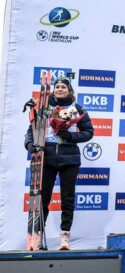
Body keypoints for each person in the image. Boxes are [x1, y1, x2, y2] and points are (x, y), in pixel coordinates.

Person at [24, 76, 94, 250]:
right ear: (53, 90)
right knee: (43, 198)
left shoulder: (76, 108)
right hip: (46, 158)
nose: (60, 89)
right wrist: (30, 145)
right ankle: (38, 236)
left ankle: (65, 236)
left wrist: (70, 135)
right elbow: (31, 130)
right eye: (57, 87)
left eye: (63, 86)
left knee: (67, 198)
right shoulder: (43, 108)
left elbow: (88, 132)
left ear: (69, 90)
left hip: (69, 159)